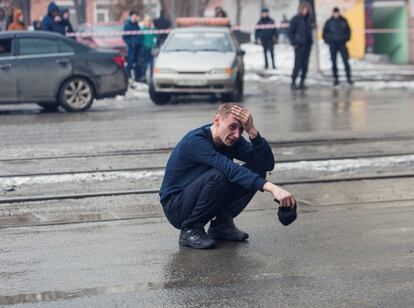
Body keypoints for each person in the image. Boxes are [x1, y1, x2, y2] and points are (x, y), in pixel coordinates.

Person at [160, 104, 297, 249]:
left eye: (241, 129)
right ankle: (190, 229)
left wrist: (253, 132)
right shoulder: (196, 141)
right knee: (221, 174)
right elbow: (229, 170)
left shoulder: (232, 139)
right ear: (217, 120)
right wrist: (273, 189)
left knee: (257, 171)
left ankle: (222, 225)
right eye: (232, 127)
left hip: (201, 195)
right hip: (176, 207)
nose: (237, 135)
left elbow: (266, 164)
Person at [323, 7, 353, 86]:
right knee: (334, 62)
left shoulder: (343, 21)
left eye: (337, 13)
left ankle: (349, 78)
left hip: (342, 44)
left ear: (339, 13)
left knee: (345, 61)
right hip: (333, 45)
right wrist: (329, 41)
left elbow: (348, 31)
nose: (336, 14)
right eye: (335, 13)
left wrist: (345, 39)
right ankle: (335, 79)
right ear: (333, 13)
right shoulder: (329, 22)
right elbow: (324, 33)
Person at [288, 2, 314, 90]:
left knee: (305, 65)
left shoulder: (309, 19)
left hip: (307, 45)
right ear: (301, 9)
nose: (305, 11)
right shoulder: (295, 19)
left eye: (306, 9)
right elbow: (290, 32)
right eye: (304, 9)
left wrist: (310, 42)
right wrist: (294, 42)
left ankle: (302, 82)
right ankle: (293, 81)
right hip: (299, 46)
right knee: (297, 64)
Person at [122, 11, 143, 84]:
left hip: (138, 46)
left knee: (138, 63)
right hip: (132, 47)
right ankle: (128, 77)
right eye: (134, 16)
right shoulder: (127, 25)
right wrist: (131, 43)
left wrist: (140, 41)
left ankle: (137, 78)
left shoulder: (137, 25)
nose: (135, 18)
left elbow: (140, 34)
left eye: (136, 16)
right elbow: (125, 37)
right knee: (130, 62)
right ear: (131, 16)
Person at [140, 15, 157, 82]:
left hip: (151, 49)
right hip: (145, 49)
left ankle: (152, 77)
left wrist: (154, 28)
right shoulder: (143, 30)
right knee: (145, 64)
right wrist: (144, 45)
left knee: (152, 64)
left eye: (150, 22)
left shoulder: (153, 29)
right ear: (145, 22)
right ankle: (143, 77)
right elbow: (141, 39)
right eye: (148, 22)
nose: (149, 23)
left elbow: (157, 35)